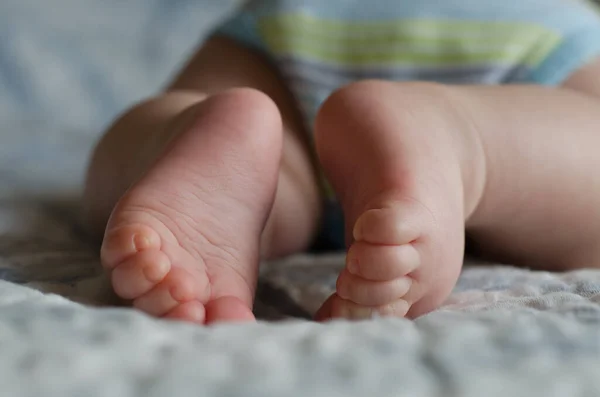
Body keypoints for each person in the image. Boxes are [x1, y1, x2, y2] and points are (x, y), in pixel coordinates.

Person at [83, 0, 600, 324]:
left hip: (288, 20)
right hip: (527, 21)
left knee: (212, 133)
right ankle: (464, 140)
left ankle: (198, 129)